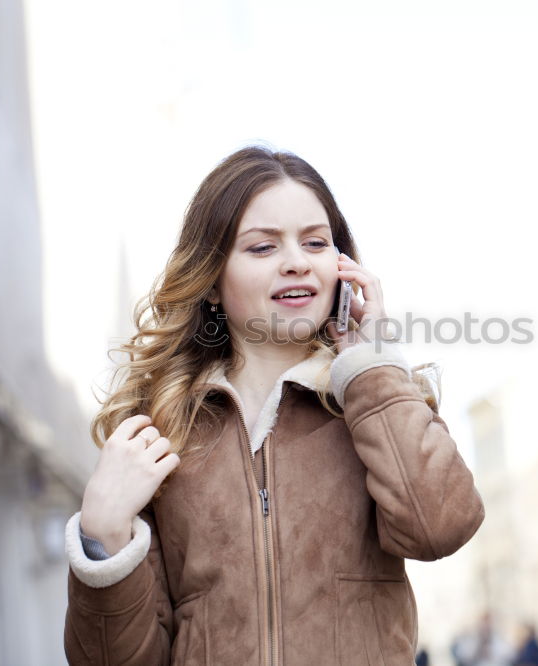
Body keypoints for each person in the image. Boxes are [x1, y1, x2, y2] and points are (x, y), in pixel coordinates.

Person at [62, 145, 486, 665]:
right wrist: (101, 537)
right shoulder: (162, 432)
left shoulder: (376, 400)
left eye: (315, 242)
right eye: (262, 248)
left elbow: (437, 528)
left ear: (343, 268)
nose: (296, 263)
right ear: (212, 281)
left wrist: (371, 364)